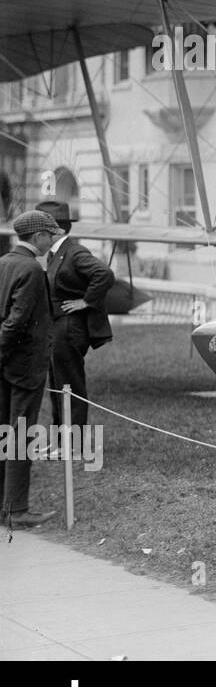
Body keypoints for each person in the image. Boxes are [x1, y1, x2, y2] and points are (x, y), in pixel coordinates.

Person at [0, 210, 59, 527]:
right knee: (20, 436)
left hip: (7, 367)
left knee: (4, 435)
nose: (53, 240)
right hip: (25, 368)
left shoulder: (4, 263)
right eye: (50, 234)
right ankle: (17, 511)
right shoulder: (32, 270)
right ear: (37, 237)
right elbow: (17, 322)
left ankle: (5, 506)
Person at [36, 200, 115, 429]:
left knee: (70, 385)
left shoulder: (74, 252)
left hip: (70, 328)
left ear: (57, 229)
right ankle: (61, 440)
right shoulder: (56, 253)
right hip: (58, 327)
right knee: (58, 385)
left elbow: (104, 274)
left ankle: (74, 443)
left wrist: (86, 301)